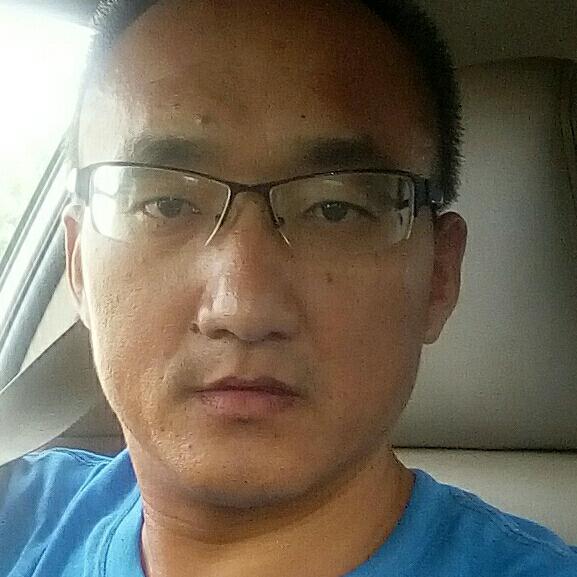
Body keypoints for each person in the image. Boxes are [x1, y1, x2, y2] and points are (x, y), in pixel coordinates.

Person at [1, 0, 576, 575]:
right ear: (78, 266)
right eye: (167, 204)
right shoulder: (22, 515)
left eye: (333, 209)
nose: (241, 309)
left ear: (439, 277)